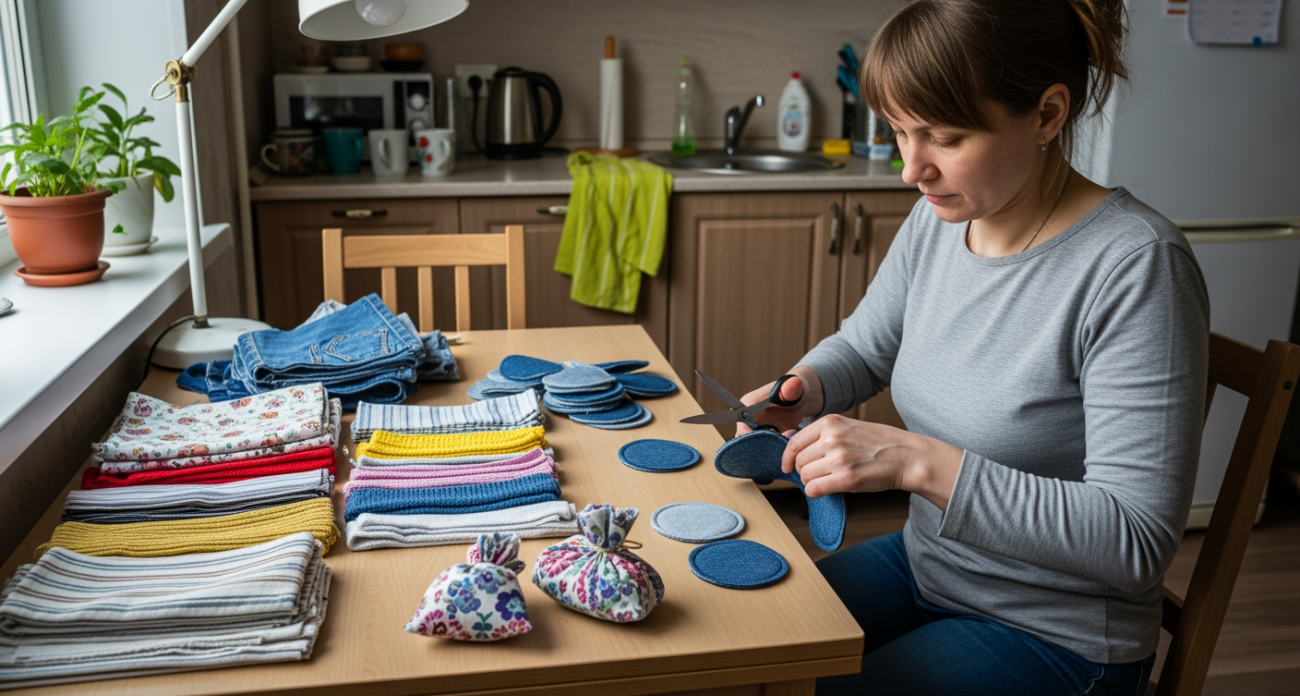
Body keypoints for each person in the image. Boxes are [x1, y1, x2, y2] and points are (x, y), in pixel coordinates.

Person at [736, 1, 1210, 694]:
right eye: (899, 133)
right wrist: (806, 384)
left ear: (1048, 115)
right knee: (747, 641)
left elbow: (1135, 540)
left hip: (1058, 631)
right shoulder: (942, 218)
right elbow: (868, 345)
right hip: (931, 564)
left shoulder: (1136, 266)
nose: (911, 169)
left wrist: (918, 462)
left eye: (944, 138)